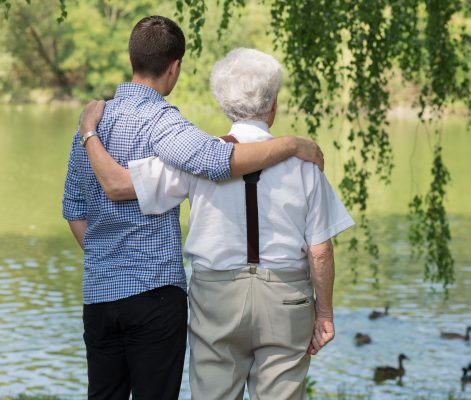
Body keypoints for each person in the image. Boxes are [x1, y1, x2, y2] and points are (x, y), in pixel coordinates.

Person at [65, 16, 323, 400]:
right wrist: (291, 145)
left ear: (131, 57)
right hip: (154, 293)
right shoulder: (164, 123)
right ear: (174, 68)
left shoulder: (93, 123)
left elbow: (73, 208)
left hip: (100, 294)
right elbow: (220, 161)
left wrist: (107, 255)